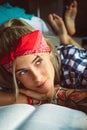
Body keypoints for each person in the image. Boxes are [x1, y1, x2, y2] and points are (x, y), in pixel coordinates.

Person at [0, 15, 87, 114]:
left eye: (38, 62)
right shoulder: (10, 78)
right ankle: (65, 39)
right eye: (23, 72)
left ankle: (66, 38)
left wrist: (54, 95)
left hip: (66, 53)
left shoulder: (72, 62)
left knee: (75, 50)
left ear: (49, 50)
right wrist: (30, 99)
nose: (37, 78)